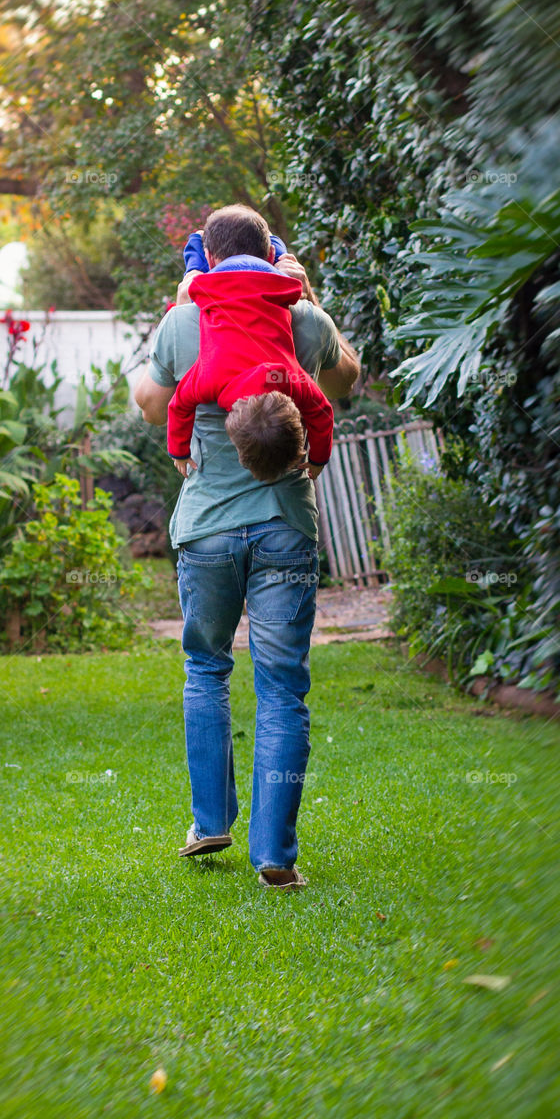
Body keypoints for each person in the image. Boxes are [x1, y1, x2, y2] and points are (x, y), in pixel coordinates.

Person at [134, 203, 359, 889]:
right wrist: (309, 295)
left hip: (205, 530)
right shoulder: (299, 317)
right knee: (283, 686)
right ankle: (275, 856)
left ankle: (210, 823)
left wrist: (180, 304)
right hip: (285, 528)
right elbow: (342, 382)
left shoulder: (185, 319)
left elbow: (149, 402)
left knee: (206, 670)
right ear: (271, 254)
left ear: (203, 252)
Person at [166, 212, 334, 483]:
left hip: (270, 279)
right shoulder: (210, 380)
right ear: (231, 422)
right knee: (193, 274)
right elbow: (179, 406)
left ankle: (271, 244)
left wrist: (318, 458)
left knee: (280, 262)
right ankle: (197, 241)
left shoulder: (289, 379)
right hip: (216, 284)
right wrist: (179, 452)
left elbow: (322, 413)